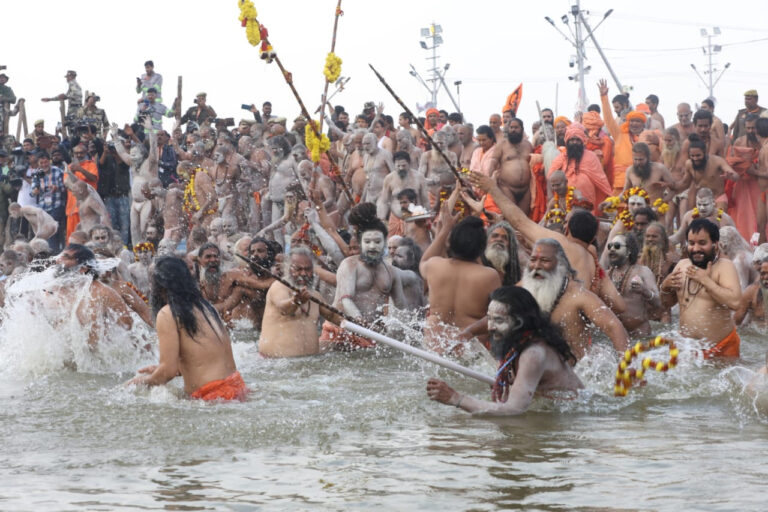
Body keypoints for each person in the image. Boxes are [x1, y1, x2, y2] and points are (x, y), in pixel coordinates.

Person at [426, 286, 583, 415]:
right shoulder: (520, 342)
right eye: (490, 319)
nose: (490, 328)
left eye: (499, 321)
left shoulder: (533, 353)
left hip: (572, 414)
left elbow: (513, 410)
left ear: (520, 322)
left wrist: (455, 398)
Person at [127, 256, 247, 401]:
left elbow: (167, 372)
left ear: (159, 285)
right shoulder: (205, 306)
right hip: (238, 388)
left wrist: (138, 383)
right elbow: (204, 358)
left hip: (213, 397)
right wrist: (160, 370)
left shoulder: (168, 313)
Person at [519, 238, 629, 359]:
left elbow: (614, 327)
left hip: (574, 371)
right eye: (533, 260)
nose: (537, 266)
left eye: (544, 260)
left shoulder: (577, 296)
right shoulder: (520, 290)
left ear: (559, 265)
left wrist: (626, 367)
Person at [322, 203, 406, 349]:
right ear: (361, 243)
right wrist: (360, 321)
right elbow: (346, 299)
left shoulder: (391, 272)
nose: (372, 247)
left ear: (385, 243)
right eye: (368, 242)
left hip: (372, 336)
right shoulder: (349, 265)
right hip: (339, 331)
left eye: (377, 242)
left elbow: (401, 307)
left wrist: (409, 329)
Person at [420, 206, 501, 354]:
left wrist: (445, 229)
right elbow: (498, 315)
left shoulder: (434, 265)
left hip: (434, 351)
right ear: (482, 248)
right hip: (469, 352)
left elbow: (423, 261)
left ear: (450, 242)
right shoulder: (489, 276)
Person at [661, 218, 742, 359]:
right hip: (686, 349)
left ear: (715, 245)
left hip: (721, 349)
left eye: (702, 243)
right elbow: (666, 304)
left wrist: (705, 280)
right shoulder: (681, 265)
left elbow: (735, 303)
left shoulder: (725, 267)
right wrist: (665, 287)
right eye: (691, 243)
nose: (696, 248)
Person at [258, 246, 344, 357]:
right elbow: (284, 308)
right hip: (275, 364)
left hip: (309, 363)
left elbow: (334, 317)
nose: (303, 273)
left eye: (307, 269)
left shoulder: (315, 296)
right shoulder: (278, 287)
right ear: (288, 268)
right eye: (298, 269)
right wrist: (296, 301)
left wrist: (359, 325)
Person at [605, 233, 660, 337]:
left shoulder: (643, 272)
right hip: (615, 335)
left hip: (640, 334)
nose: (612, 249)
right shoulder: (606, 276)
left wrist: (645, 291)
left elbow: (658, 302)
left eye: (617, 246)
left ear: (629, 251)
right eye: (609, 246)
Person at [548, 123, 612, 210]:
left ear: (582, 141)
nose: (575, 142)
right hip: (564, 199)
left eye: (578, 140)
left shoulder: (591, 156)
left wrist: (611, 197)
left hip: (587, 199)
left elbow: (601, 179)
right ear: (567, 141)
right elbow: (550, 177)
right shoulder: (561, 157)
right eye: (572, 140)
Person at [598, 79, 645, 192]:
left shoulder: (647, 137)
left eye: (638, 121)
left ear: (643, 124)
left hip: (642, 181)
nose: (634, 124)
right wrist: (604, 97)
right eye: (632, 121)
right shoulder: (619, 135)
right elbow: (609, 120)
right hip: (621, 183)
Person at [377, 151, 429, 235]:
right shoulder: (389, 179)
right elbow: (384, 201)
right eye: (398, 166)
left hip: (416, 218)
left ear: (409, 163)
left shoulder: (419, 177)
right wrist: (381, 219)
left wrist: (427, 217)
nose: (401, 168)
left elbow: (425, 200)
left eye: (404, 165)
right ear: (394, 165)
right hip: (396, 218)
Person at [488, 117, 533, 213]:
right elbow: (493, 163)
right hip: (506, 187)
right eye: (511, 127)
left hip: (526, 189)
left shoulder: (528, 145)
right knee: (512, 216)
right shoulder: (502, 145)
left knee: (524, 220)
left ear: (522, 129)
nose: (513, 130)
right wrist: (490, 180)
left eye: (516, 127)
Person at [670, 188, 735, 245]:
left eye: (705, 204)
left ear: (713, 202)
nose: (702, 208)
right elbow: (678, 236)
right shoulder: (689, 216)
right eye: (699, 204)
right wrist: (665, 240)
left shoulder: (725, 219)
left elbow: (735, 240)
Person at [482, 220, 523, 286]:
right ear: (487, 241)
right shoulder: (479, 264)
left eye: (504, 238)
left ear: (510, 246)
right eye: (495, 236)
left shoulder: (514, 271)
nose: (499, 239)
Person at [735, 260, 768, 328]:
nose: (766, 277)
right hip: (757, 336)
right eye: (763, 273)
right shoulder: (751, 292)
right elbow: (736, 322)